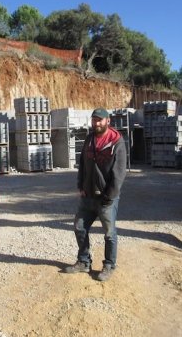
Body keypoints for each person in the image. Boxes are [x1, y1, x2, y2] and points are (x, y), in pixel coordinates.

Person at [64, 108, 127, 281]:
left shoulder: (116, 142)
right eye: (94, 120)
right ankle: (84, 262)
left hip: (106, 198)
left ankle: (109, 265)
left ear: (108, 121)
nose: (96, 123)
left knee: (109, 233)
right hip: (88, 196)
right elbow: (83, 164)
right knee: (79, 226)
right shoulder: (90, 139)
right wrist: (81, 185)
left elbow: (119, 173)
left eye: (100, 120)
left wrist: (110, 196)